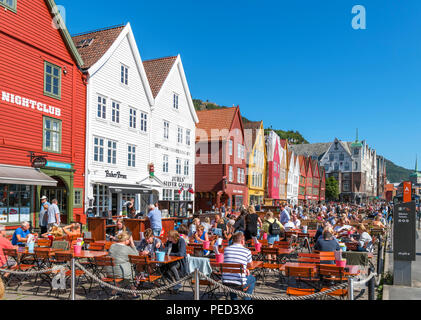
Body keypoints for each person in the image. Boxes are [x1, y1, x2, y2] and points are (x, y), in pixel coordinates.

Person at [222, 232, 256, 300]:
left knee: (232, 278)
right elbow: (251, 265)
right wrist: (245, 268)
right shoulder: (246, 251)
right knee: (252, 279)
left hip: (226, 281)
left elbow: (229, 262)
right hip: (239, 282)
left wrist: (244, 268)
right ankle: (247, 299)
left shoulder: (226, 249)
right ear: (242, 241)